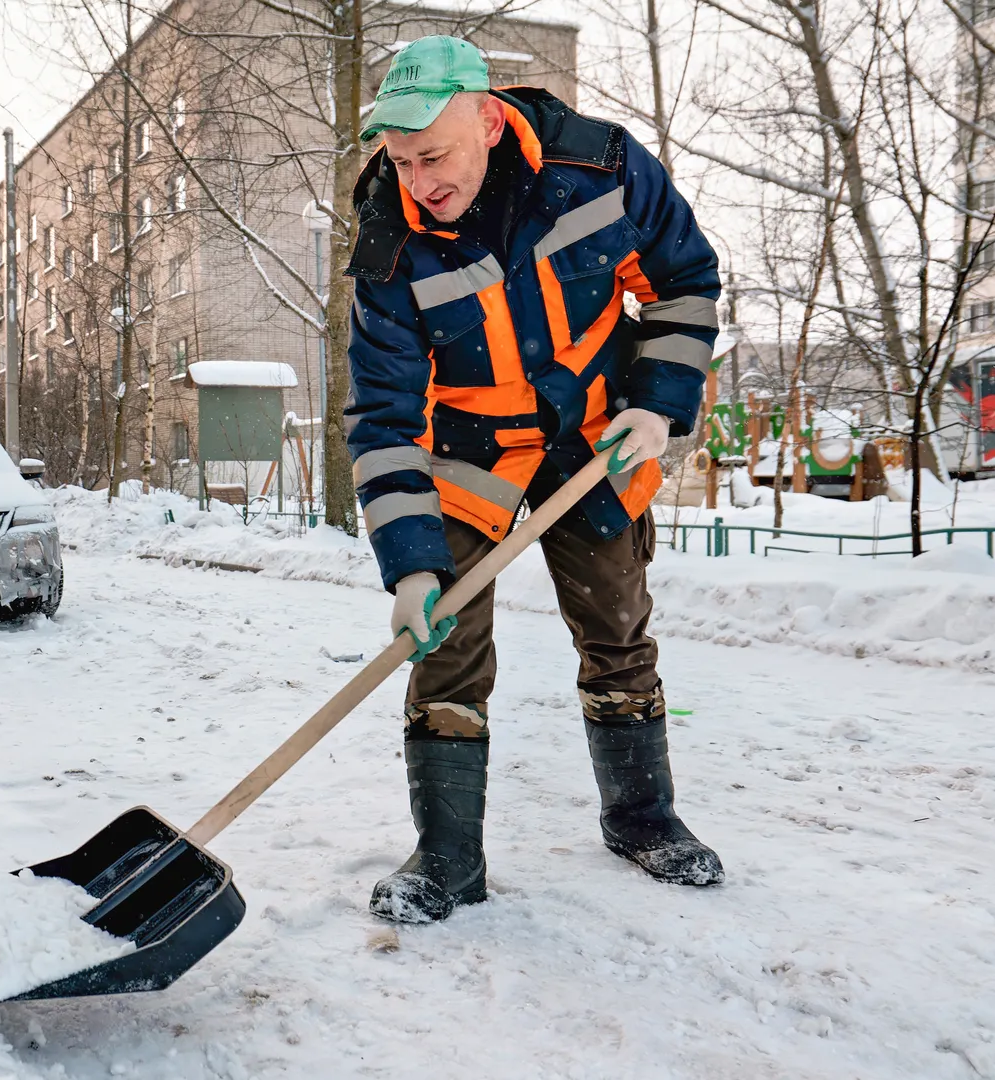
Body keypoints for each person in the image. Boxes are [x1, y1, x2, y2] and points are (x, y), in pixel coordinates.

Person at [345, 36, 725, 923]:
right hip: (470, 450)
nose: (419, 179)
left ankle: (644, 820)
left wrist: (658, 403)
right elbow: (384, 420)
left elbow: (684, 279)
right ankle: (446, 861)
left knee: (617, 627)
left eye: (433, 155)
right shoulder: (389, 246)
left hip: (597, 433)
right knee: (441, 644)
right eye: (401, 161)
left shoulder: (599, 167)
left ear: (486, 118)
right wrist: (408, 566)